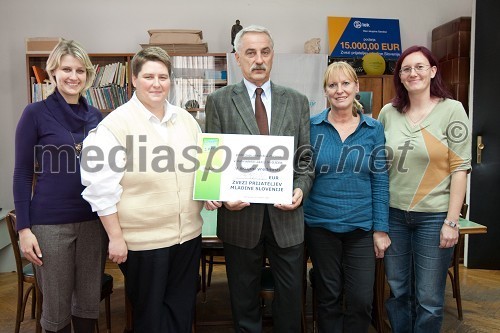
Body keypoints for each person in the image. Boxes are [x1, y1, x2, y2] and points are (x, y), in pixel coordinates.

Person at [80, 46, 203, 333]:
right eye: (149, 76)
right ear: (134, 79)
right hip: (144, 244)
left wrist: (209, 192)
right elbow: (100, 189)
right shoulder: (114, 126)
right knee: (150, 317)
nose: (157, 83)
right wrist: (116, 238)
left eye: (163, 76)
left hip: (187, 237)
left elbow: (202, 167)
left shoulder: (186, 120)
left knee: (181, 311)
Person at [204, 25, 314, 332]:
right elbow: (212, 159)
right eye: (250, 53)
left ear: (273, 56)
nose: (258, 59)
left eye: (265, 52)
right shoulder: (219, 101)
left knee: (292, 299)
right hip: (240, 218)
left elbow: (305, 160)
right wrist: (220, 194)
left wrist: (300, 191)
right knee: (243, 298)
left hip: (287, 219)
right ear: (237, 58)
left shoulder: (297, 101)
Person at [13, 39, 105, 333]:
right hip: (50, 225)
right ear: (53, 71)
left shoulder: (96, 117)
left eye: (80, 70)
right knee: (56, 309)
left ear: (88, 76)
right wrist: (24, 229)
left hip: (93, 221)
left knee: (89, 304)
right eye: (66, 69)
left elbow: (108, 172)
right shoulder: (35, 113)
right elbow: (22, 173)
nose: (73, 76)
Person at [378, 45, 471, 333]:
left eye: (420, 67)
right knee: (398, 291)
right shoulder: (388, 113)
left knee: (430, 298)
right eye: (406, 68)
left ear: (432, 71)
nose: (412, 73)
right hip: (394, 216)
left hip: (434, 218)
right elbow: (379, 167)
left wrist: (451, 222)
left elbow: (460, 169)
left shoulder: (452, 110)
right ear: (400, 77)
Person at [303, 61, 391, 332]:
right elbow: (302, 174)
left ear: (357, 87)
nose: (339, 90)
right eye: (332, 85)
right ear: (325, 91)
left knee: (361, 300)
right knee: (328, 297)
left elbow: (380, 179)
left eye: (345, 84)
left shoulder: (373, 129)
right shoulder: (311, 126)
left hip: (361, 228)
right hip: (320, 226)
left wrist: (381, 229)